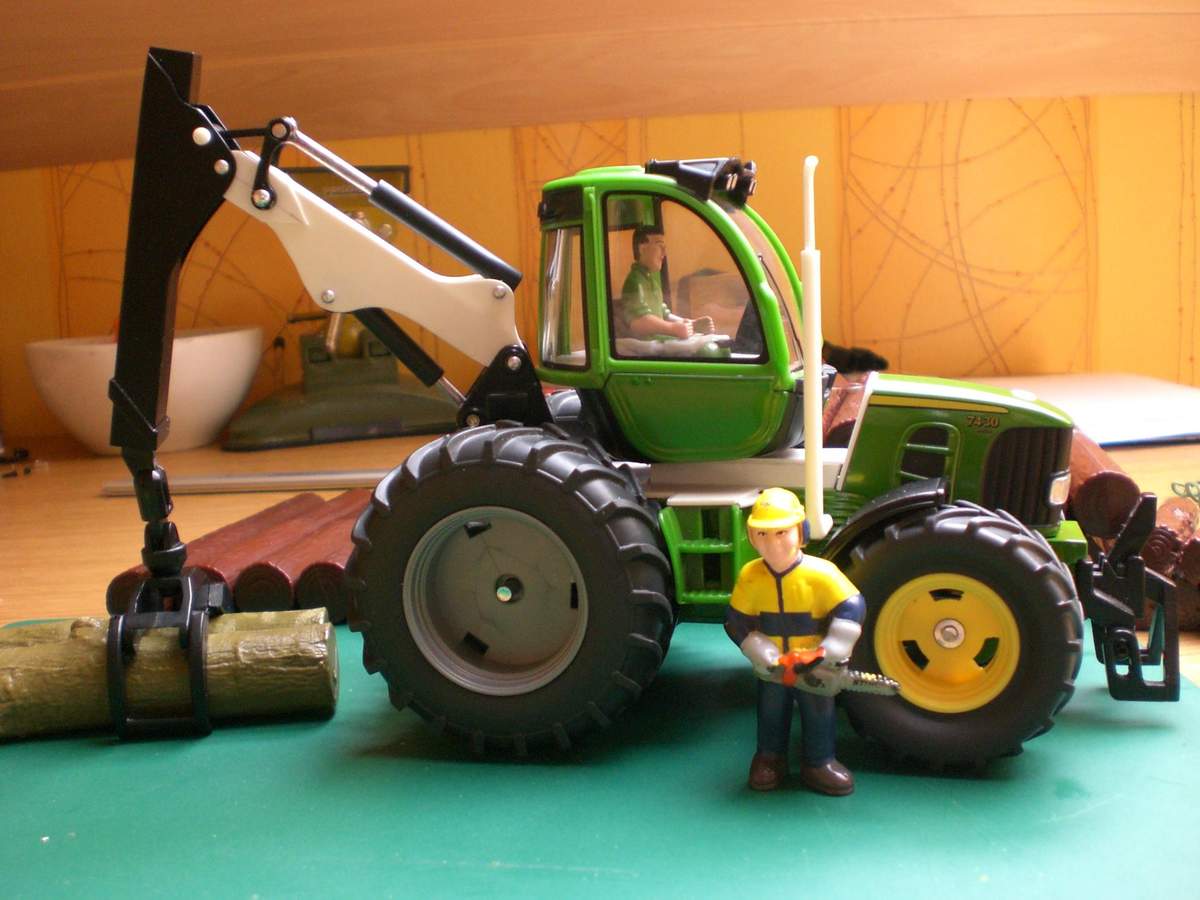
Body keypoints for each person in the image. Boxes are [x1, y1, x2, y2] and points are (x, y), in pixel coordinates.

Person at [725, 488, 866, 794]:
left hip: (813, 663)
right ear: (751, 536)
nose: (772, 543)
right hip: (773, 666)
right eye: (762, 534)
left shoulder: (822, 574)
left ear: (801, 531)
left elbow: (852, 606)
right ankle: (769, 759)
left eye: (781, 532)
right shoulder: (750, 576)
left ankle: (819, 762)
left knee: (818, 711)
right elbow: (736, 621)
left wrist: (830, 650)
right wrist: (761, 652)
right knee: (770, 711)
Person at [618, 225, 714, 340]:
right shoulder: (635, 281)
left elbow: (664, 314)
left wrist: (690, 324)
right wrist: (672, 328)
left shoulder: (652, 282)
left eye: (664, 247)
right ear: (642, 249)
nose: (664, 253)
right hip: (648, 344)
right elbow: (638, 322)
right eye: (660, 246)